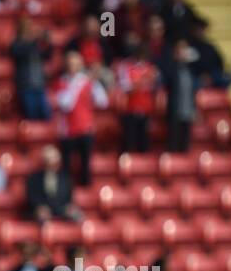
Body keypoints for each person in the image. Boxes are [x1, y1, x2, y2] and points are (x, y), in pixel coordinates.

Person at [54, 51, 108, 187]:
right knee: (66, 166)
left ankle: (86, 190)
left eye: (76, 64)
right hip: (68, 131)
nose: (73, 67)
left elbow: (103, 101)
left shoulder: (88, 81)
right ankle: (67, 191)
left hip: (85, 129)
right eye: (70, 64)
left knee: (85, 164)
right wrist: (76, 84)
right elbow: (66, 104)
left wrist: (95, 83)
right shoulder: (62, 82)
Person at [115, 36, 157, 152]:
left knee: (144, 143)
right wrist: (140, 83)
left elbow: (154, 87)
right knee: (128, 142)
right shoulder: (126, 67)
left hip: (146, 110)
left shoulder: (151, 69)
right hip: (130, 109)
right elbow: (125, 86)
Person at [160, 39, 198, 152]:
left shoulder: (190, 69)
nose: (184, 52)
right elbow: (166, 80)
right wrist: (176, 61)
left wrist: (194, 108)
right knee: (173, 144)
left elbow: (192, 91)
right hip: (175, 111)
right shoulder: (172, 67)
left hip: (188, 111)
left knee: (185, 144)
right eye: (181, 49)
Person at [26, 144, 80, 221]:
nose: (53, 164)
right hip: (43, 210)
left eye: (55, 160)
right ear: (44, 161)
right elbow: (32, 198)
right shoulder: (34, 179)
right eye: (49, 160)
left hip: (61, 208)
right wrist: (39, 207)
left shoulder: (65, 178)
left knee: (77, 214)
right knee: (41, 216)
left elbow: (69, 198)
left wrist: (69, 207)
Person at [11, 16, 52, 120]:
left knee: (46, 117)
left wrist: (48, 42)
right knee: (32, 118)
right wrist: (34, 39)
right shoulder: (16, 44)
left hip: (39, 86)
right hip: (26, 87)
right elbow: (20, 53)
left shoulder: (34, 46)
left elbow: (47, 56)